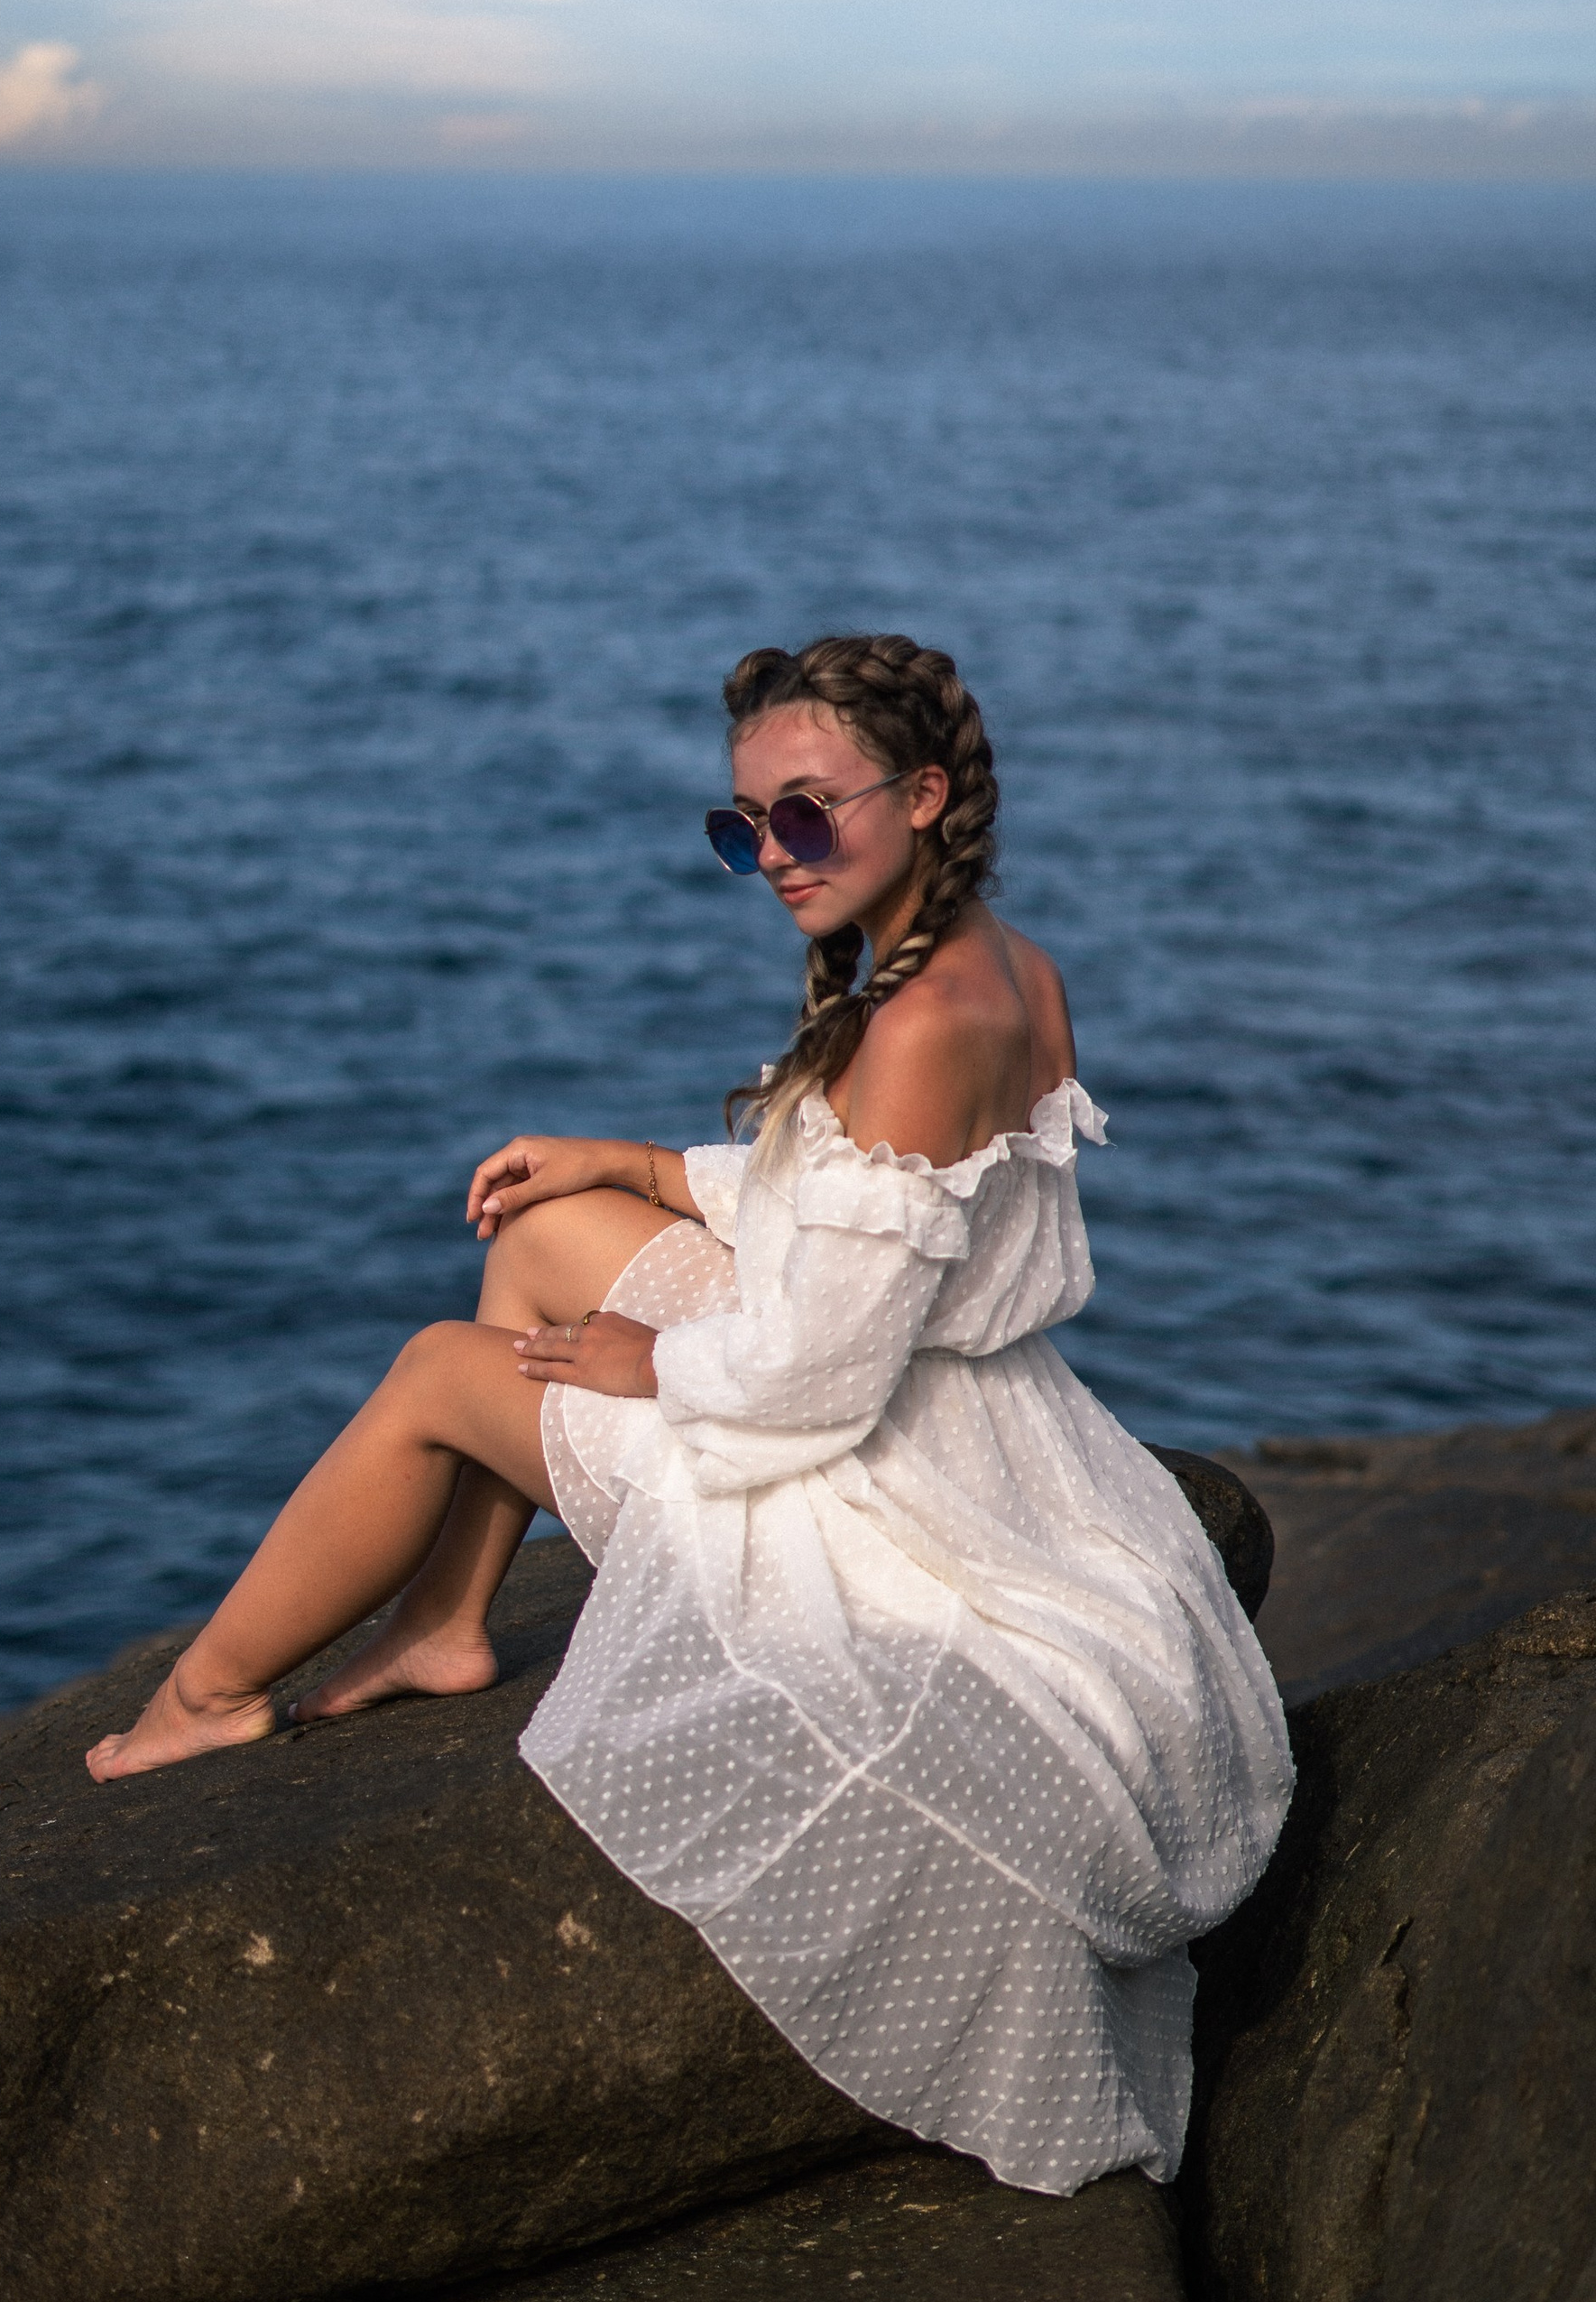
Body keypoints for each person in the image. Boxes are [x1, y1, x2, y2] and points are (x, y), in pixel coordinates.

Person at [87, 633, 1291, 2195]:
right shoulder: (995, 958)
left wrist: (639, 1363)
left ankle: (200, 1699)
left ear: (923, 796)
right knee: (534, 1239)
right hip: (961, 1409)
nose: (774, 857)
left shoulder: (923, 1024)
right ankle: (447, 1621)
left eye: (805, 814)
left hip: (875, 1468)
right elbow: (865, 1218)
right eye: (745, 828)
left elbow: (818, 1373)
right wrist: (634, 1165)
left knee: (441, 1376)